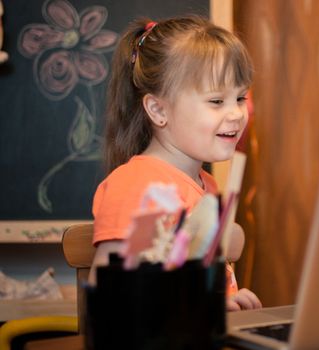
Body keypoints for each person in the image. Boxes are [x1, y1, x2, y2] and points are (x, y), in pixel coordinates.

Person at [89, 15, 262, 312]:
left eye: (240, 97)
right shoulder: (142, 188)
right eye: (217, 101)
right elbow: (115, 299)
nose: (236, 113)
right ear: (158, 109)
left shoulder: (205, 186)